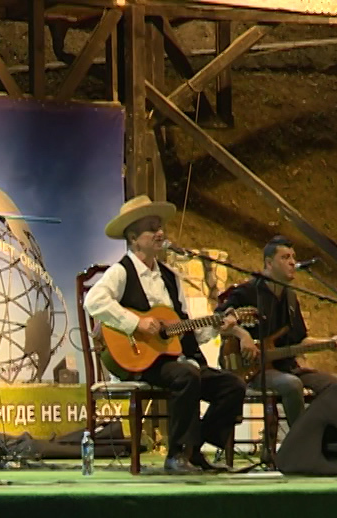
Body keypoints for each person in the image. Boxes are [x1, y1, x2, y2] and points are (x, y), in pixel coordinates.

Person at [84, 195, 246, 473]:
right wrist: (136, 323)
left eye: (160, 227)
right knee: (187, 375)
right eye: (152, 228)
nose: (160, 233)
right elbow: (94, 302)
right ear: (134, 238)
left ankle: (193, 449)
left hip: (175, 360)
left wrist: (216, 326)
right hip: (141, 361)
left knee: (233, 386)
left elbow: (184, 326)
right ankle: (177, 454)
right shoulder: (120, 272)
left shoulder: (170, 276)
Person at [216, 235, 337, 427]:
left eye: (293, 257)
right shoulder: (248, 291)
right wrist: (242, 335)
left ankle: (322, 435)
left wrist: (329, 342)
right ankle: (299, 441)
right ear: (269, 263)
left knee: (336, 385)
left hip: (287, 367)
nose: (292, 262)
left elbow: (300, 341)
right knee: (292, 384)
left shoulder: (290, 298)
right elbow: (219, 318)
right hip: (254, 371)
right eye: (285, 257)